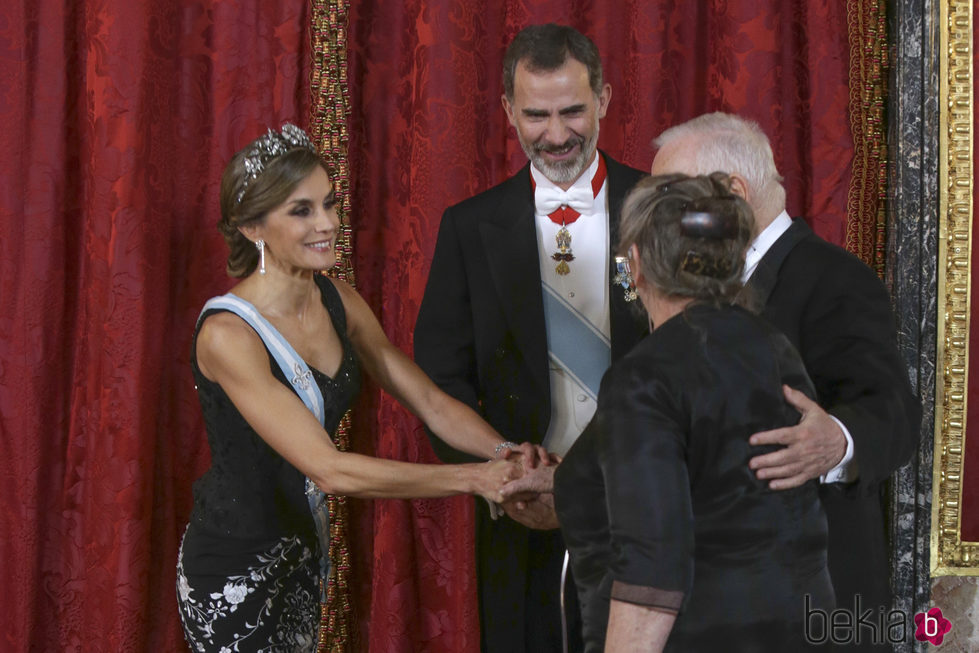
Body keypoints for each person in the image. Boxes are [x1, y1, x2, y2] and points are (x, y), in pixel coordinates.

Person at [175, 123, 530, 652]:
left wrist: (508, 452)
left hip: (302, 559)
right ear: (253, 227)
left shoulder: (338, 300)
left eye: (329, 204)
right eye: (302, 211)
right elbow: (330, 468)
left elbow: (430, 403)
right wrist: (478, 478)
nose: (328, 224)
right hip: (232, 569)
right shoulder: (229, 334)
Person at [511, 172, 835, 651]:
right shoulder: (772, 346)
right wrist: (570, 480)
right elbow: (720, 485)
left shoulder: (643, 376)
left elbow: (652, 572)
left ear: (636, 263)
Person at [413, 23, 647, 653]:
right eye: (537, 115)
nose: (557, 134)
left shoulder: (663, 206)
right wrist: (505, 471)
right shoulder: (468, 227)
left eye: (573, 110)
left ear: (603, 99)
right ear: (508, 111)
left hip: (648, 509)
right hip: (524, 517)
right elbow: (440, 378)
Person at [649, 113, 921, 650]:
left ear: (732, 192)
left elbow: (894, 411)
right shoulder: (690, 284)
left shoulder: (834, 278)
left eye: (672, 197)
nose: (661, 217)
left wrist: (837, 440)